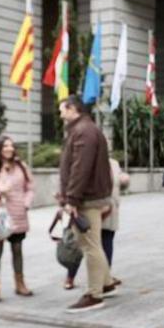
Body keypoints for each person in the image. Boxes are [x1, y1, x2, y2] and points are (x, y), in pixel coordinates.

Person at [57, 96, 114, 312]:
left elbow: (80, 168)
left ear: (72, 108)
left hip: (85, 199)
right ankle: (106, 283)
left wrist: (71, 198)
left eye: (62, 109)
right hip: (86, 197)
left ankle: (94, 295)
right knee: (92, 243)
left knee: (90, 246)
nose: (60, 114)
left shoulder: (83, 131)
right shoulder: (84, 129)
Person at [0, 134, 36, 301]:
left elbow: (30, 187)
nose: (9, 149)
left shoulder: (20, 165)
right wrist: (0, 191)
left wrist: (26, 203)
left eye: (11, 145)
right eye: (5, 146)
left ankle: (20, 283)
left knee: (17, 249)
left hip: (18, 213)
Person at [63, 156, 128, 292]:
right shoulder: (87, 161)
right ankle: (70, 276)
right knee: (85, 245)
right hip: (94, 209)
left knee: (107, 243)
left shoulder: (114, 163)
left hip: (111, 210)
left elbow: (119, 185)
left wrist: (124, 181)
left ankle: (106, 279)